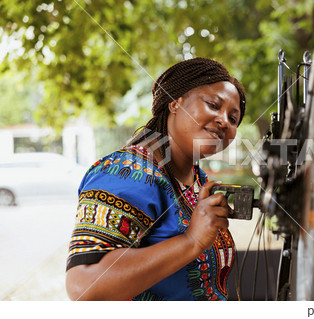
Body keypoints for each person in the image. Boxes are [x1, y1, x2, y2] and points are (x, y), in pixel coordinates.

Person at [65, 57, 246, 301]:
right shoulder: (126, 173)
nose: (224, 121)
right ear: (175, 102)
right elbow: (83, 284)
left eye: (233, 119)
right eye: (214, 105)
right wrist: (191, 240)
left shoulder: (197, 181)